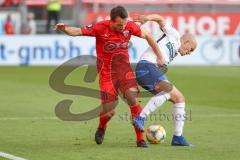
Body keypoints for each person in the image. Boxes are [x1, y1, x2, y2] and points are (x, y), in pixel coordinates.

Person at [55, 6, 164, 148]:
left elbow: (148, 35)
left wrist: (160, 56)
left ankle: (140, 139)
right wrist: (64, 29)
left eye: (124, 24)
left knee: (132, 98)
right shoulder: (100, 27)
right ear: (111, 21)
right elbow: (77, 31)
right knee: (109, 111)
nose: (122, 27)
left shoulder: (129, 26)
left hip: (124, 71)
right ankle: (102, 126)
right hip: (107, 74)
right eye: (119, 25)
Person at [132, 14, 197, 146]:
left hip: (149, 70)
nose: (189, 53)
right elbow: (160, 19)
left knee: (179, 98)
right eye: (191, 49)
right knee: (167, 91)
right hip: (147, 65)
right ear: (187, 42)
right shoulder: (175, 35)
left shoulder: (173, 52)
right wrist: (148, 18)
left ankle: (178, 137)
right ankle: (140, 118)